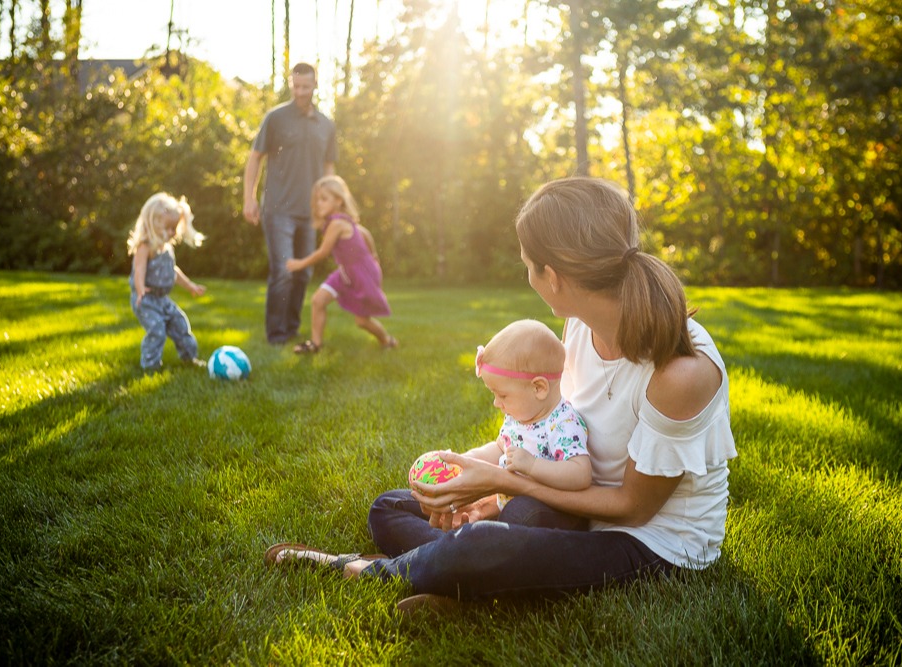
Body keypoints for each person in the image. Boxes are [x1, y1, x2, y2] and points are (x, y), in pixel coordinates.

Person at [264, 177, 737, 613]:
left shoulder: (680, 372)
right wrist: (482, 492)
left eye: (528, 265)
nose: (528, 276)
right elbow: (549, 431)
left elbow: (635, 507)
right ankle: (451, 571)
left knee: (484, 543)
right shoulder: (578, 325)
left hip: (649, 544)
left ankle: (366, 569)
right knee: (391, 507)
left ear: (553, 277)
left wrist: (503, 483)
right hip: (568, 508)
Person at [456, 319, 589, 529]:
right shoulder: (520, 415)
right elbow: (500, 448)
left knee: (520, 512)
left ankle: (468, 545)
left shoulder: (562, 423)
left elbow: (580, 474)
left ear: (538, 388)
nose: (496, 403)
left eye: (502, 395)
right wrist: (466, 460)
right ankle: (467, 542)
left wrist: (533, 465)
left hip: (551, 515)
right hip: (509, 509)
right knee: (385, 506)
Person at [243, 62, 337, 345]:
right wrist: (249, 197)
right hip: (278, 208)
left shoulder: (326, 125)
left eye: (306, 87)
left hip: (310, 213)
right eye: (296, 86)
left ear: (315, 85)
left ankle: (292, 328)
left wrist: (330, 208)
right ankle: (276, 334)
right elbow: (255, 157)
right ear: (291, 83)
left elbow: (329, 168)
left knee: (304, 272)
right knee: (283, 272)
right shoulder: (276, 118)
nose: (300, 92)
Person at [286, 175, 397, 353]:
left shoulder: (337, 223)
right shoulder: (343, 222)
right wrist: (373, 256)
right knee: (318, 300)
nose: (318, 203)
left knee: (362, 321)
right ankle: (315, 344)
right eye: (316, 199)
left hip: (361, 275)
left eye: (323, 199)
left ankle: (387, 340)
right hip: (345, 273)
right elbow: (364, 232)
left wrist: (299, 264)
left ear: (338, 200)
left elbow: (323, 252)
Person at [127, 192, 206, 371]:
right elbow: (139, 269)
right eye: (168, 228)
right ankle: (150, 366)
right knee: (157, 330)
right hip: (146, 299)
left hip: (162, 299)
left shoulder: (167, 248)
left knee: (181, 324)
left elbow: (174, 272)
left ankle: (189, 358)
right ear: (153, 222)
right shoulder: (145, 246)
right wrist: (140, 290)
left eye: (174, 228)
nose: (172, 233)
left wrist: (190, 285)